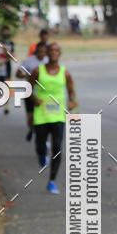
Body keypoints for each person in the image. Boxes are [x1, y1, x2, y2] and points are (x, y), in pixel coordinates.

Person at [29, 42, 76, 195]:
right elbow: (28, 88)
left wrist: (71, 101)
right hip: (41, 114)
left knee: (57, 147)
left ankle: (52, 181)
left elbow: (71, 91)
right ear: (47, 53)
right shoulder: (38, 71)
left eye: (57, 50)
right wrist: (34, 98)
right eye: (51, 50)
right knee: (40, 145)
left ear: (60, 53)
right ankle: (42, 153)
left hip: (58, 115)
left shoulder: (65, 73)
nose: (54, 52)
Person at [16, 42, 48, 141]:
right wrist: (26, 75)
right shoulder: (29, 61)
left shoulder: (48, 61)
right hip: (29, 92)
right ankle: (32, 129)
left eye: (44, 51)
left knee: (44, 115)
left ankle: (41, 133)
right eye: (39, 51)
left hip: (43, 93)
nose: (41, 53)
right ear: (36, 51)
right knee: (31, 116)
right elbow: (18, 73)